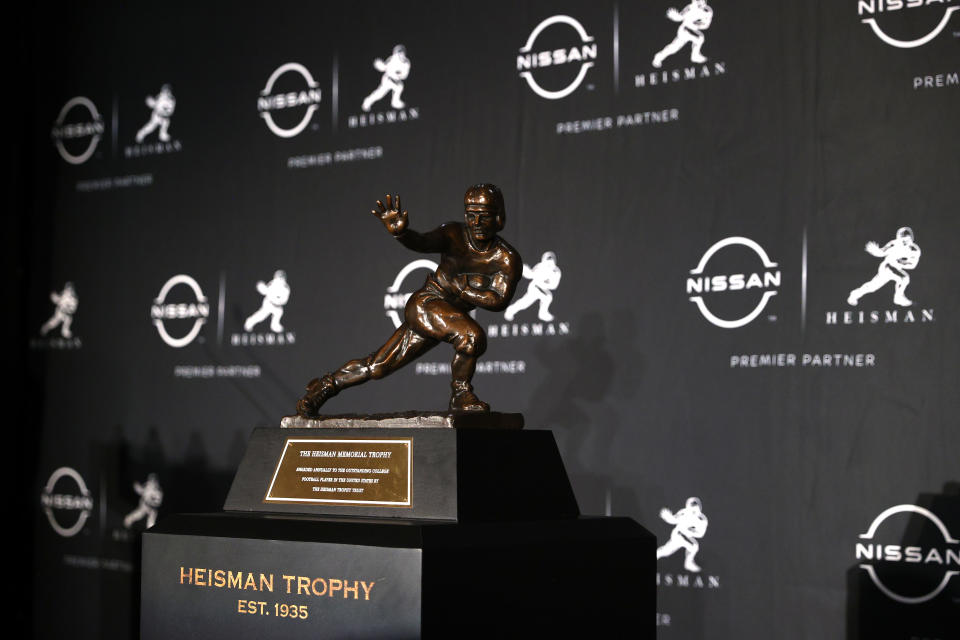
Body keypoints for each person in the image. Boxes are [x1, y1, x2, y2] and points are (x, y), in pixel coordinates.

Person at [297, 184, 521, 416]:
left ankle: (322, 388)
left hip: (448, 317)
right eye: (471, 215)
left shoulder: (506, 259)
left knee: (378, 367)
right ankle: (460, 393)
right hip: (426, 305)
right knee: (471, 337)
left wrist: (462, 290)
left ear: (498, 218)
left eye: (484, 216)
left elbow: (499, 300)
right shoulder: (453, 234)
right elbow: (423, 242)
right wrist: (402, 233)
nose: (476, 222)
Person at [847, 227, 921, 307]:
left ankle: (898, 297)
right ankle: (854, 295)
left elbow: (913, 265)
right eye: (902, 239)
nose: (904, 242)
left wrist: (901, 262)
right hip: (887, 267)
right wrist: (875, 251)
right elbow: (881, 252)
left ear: (912, 239)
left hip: (896, 269)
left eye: (907, 239)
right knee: (875, 286)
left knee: (902, 279)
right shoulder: (893, 244)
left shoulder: (915, 250)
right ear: (898, 239)